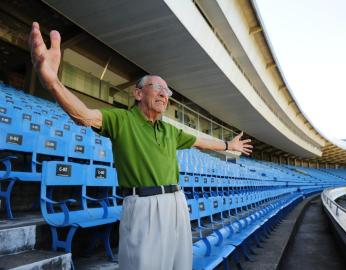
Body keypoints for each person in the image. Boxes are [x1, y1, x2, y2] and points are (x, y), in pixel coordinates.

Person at [29, 22, 253, 270]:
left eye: (167, 91)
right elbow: (83, 115)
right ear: (138, 93)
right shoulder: (121, 119)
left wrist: (227, 144)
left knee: (180, 266)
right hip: (144, 205)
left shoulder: (170, 130)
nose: (164, 94)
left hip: (177, 202)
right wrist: (53, 83)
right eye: (157, 87)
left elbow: (202, 142)